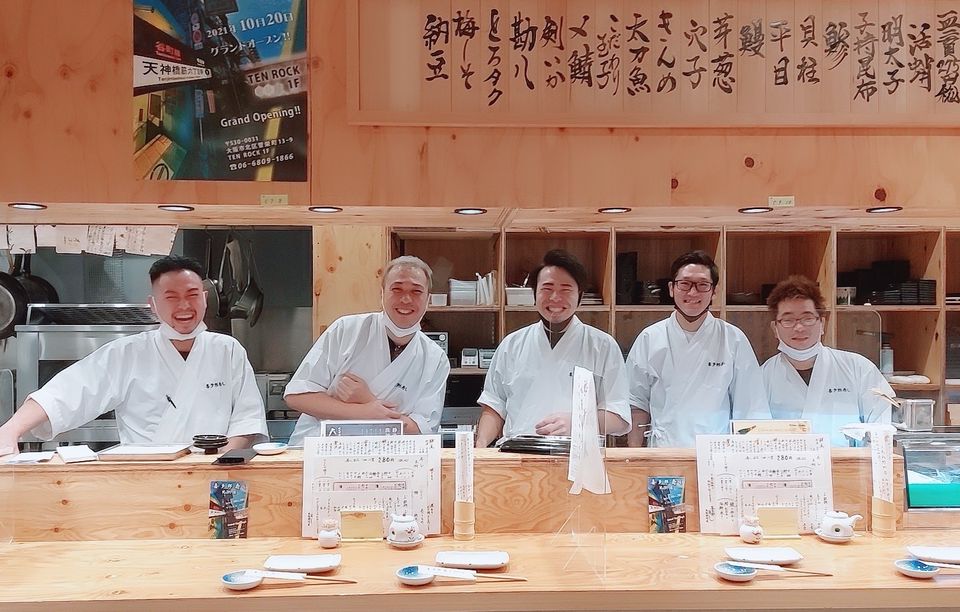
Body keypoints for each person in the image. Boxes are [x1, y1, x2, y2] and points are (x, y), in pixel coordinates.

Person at [0, 255, 267, 456]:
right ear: (153, 304)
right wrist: (10, 430)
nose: (184, 305)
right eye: (171, 297)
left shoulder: (227, 350)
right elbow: (67, 391)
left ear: (205, 298)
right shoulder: (128, 353)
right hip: (146, 477)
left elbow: (247, 421)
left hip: (213, 475)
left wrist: (220, 462)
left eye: (192, 295)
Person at [284, 256, 449, 444]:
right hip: (322, 447)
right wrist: (362, 411)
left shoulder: (435, 358)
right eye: (396, 289)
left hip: (388, 455)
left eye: (416, 291)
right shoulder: (346, 330)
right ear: (382, 293)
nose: (406, 298)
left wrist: (367, 400)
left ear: (428, 299)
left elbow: (420, 430)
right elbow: (297, 396)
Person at [475, 249, 631, 447]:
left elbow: (619, 417)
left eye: (566, 289)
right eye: (547, 288)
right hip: (518, 454)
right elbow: (494, 407)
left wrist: (578, 422)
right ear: (534, 294)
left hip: (578, 456)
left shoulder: (603, 346)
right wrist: (480, 447)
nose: (555, 297)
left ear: (580, 296)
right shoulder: (511, 345)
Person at [625, 250, 769, 447]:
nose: (693, 293)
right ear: (671, 288)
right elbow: (636, 404)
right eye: (684, 284)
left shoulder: (733, 339)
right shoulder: (650, 338)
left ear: (714, 291)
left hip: (718, 452)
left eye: (702, 285)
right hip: (665, 451)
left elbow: (750, 409)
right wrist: (635, 456)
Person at [761, 275, 893, 446]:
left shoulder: (859, 368)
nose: (799, 327)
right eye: (788, 320)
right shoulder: (761, 377)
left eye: (808, 318)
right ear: (775, 328)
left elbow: (882, 427)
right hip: (786, 463)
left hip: (849, 462)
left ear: (822, 323)